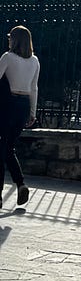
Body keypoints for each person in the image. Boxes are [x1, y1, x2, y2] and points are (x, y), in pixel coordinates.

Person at [0, 25, 40, 209]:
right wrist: (32, 112)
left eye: (10, 38)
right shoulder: (35, 61)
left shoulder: (8, 58)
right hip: (23, 106)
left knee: (1, 149)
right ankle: (21, 183)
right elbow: (34, 88)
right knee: (8, 148)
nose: (8, 40)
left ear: (14, 40)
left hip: (8, 105)